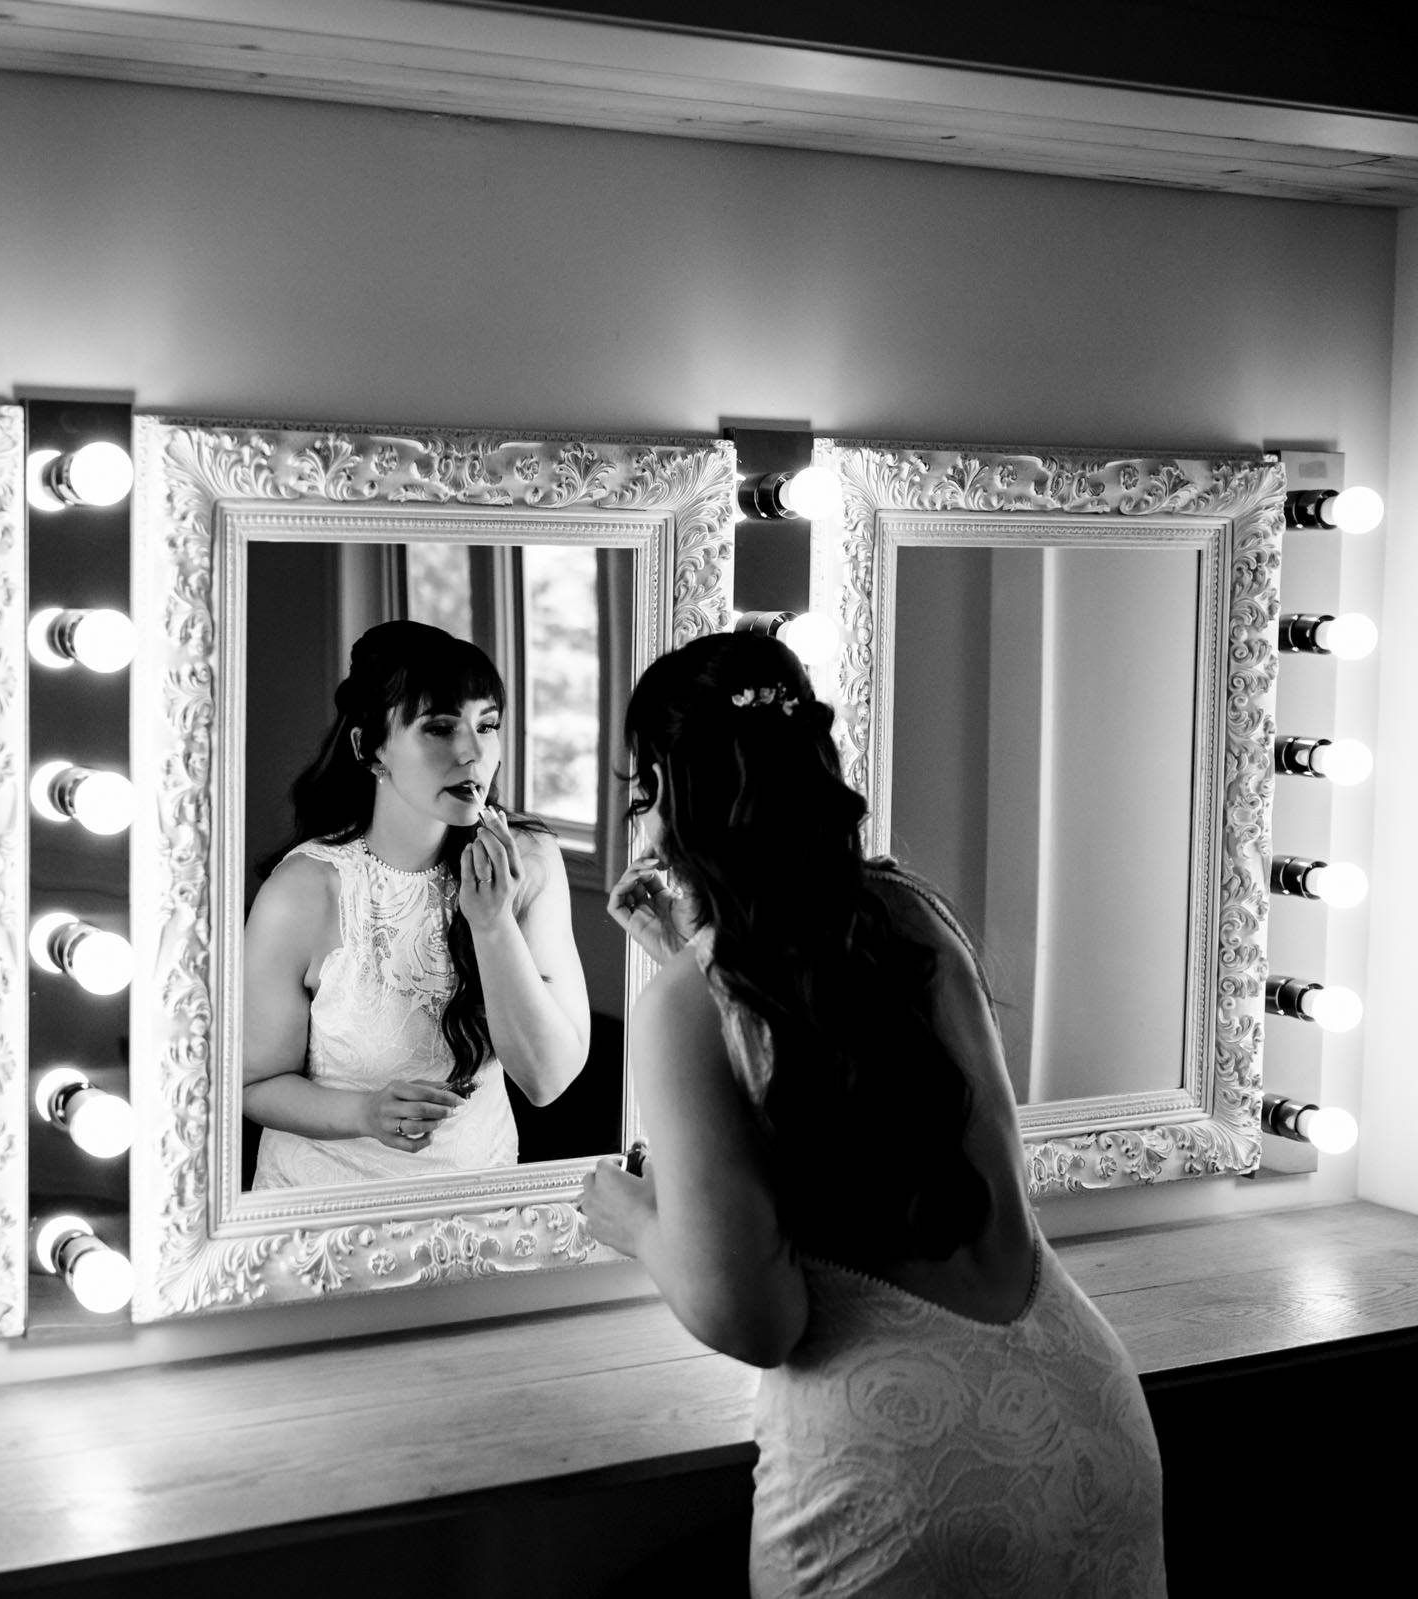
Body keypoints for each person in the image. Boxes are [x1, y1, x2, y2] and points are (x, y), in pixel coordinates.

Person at [577, 631, 1164, 1596]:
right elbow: (843, 1058)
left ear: (663, 794)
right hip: (1084, 1412)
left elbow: (757, 1317)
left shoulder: (688, 1003)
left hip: (902, 1476)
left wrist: (636, 1221)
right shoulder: (914, 915)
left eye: (637, 793)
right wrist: (692, 951)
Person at [240, 620, 589, 1188]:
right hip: (325, 1228)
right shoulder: (305, 889)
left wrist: (493, 924)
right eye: (440, 728)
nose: (473, 752)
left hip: (483, 1222)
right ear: (370, 747)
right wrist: (364, 1113)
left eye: (488, 724)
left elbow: (546, 1080)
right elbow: (254, 1084)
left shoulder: (530, 862)